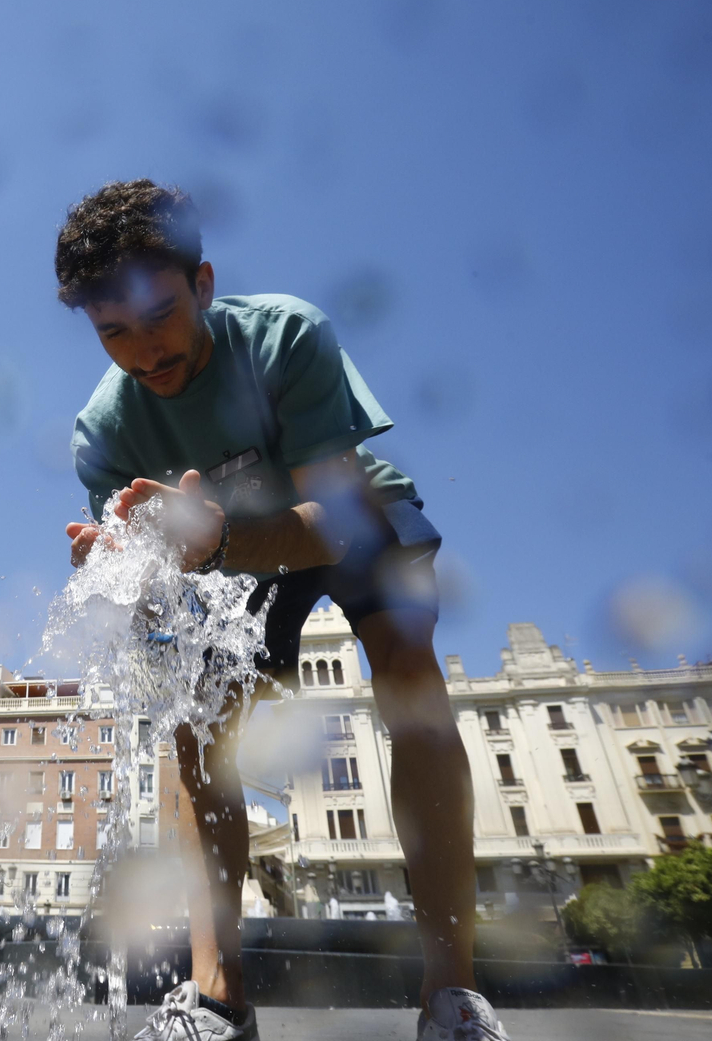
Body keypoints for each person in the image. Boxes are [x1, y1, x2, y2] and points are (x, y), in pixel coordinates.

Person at [58, 180, 511, 1041]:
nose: (145, 352)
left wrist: (218, 539)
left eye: (160, 316)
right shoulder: (103, 432)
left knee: (409, 671)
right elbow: (157, 608)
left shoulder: (287, 334)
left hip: (344, 512)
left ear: (202, 283)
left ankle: (452, 996)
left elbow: (333, 525)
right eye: (114, 332)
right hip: (223, 554)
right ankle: (216, 999)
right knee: (197, 724)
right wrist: (117, 571)